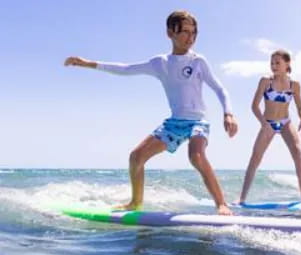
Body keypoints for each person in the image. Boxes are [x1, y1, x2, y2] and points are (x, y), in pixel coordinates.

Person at [64, 10, 238, 215]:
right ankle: (136, 203)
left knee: (196, 156)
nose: (190, 37)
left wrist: (228, 113)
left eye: (194, 33)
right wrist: (88, 64)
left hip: (197, 121)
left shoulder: (198, 61)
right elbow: (126, 69)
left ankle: (221, 204)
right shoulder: (160, 63)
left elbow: (220, 89)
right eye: (184, 32)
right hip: (174, 123)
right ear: (170, 33)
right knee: (136, 157)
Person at [239, 50, 301, 204]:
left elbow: (300, 107)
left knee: (298, 153)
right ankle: (242, 198)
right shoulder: (266, 81)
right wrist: (263, 123)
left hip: (285, 122)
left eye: (278, 62)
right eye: (272, 63)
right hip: (268, 123)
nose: (274, 66)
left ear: (287, 64)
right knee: (256, 157)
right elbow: (254, 106)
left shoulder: (294, 85)